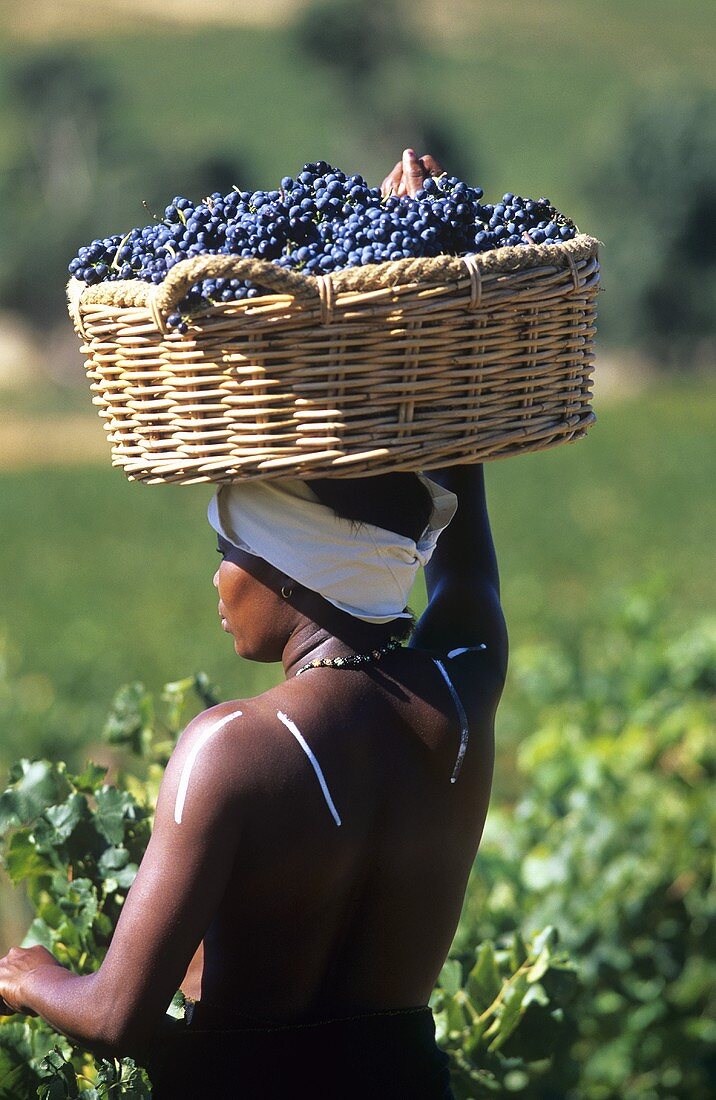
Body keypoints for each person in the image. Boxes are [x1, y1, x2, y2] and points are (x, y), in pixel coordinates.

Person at [0, 151, 508, 1098]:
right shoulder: (463, 692)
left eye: (230, 549)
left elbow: (117, 1016)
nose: (219, 579)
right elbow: (467, 563)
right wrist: (438, 319)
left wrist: (31, 977)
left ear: (287, 571)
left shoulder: (231, 751)